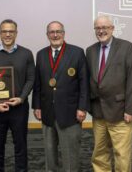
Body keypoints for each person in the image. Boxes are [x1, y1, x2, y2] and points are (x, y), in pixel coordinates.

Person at [32, 21, 90, 172]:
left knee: (70, 155)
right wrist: (37, 106)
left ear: (64, 33)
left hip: (70, 113)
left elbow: (84, 83)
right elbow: (38, 83)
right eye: (52, 32)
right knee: (49, 154)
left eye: (58, 31)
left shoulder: (77, 52)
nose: (55, 35)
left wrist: (82, 108)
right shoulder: (41, 54)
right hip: (47, 112)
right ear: (47, 35)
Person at [86, 15, 132, 172]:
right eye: (98, 28)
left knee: (122, 155)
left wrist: (130, 110)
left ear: (112, 28)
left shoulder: (126, 47)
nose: (101, 31)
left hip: (121, 112)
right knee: (99, 154)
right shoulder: (90, 51)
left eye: (105, 27)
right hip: (98, 113)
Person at [0, 19, 35, 172]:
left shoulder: (26, 54)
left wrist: (22, 98)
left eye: (11, 31)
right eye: (4, 31)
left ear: (16, 33)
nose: (7, 34)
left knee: (20, 146)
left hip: (19, 108)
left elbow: (31, 79)